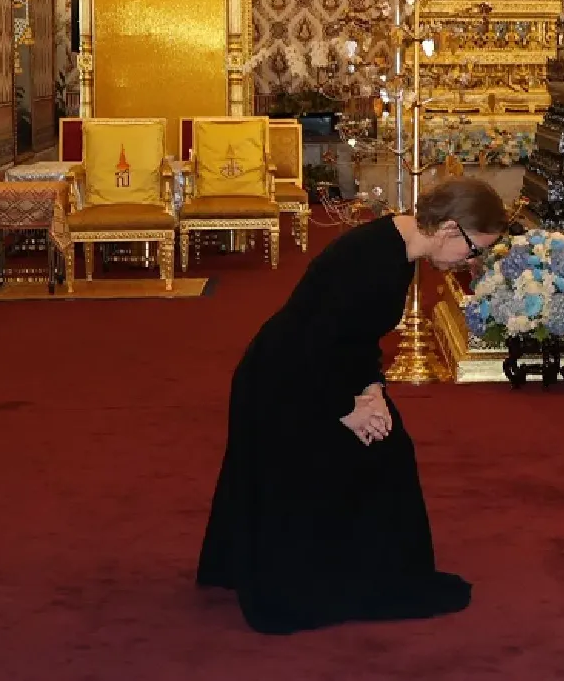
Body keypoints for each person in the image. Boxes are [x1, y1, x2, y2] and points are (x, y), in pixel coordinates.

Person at [197, 177, 507, 634]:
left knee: (388, 443)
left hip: (319, 371)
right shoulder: (372, 260)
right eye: (474, 248)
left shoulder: (398, 251)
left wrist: (372, 389)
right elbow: (310, 343)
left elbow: (356, 337)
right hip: (283, 383)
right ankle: (346, 576)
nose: (471, 260)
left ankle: (366, 566)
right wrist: (348, 408)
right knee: (380, 452)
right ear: (447, 228)